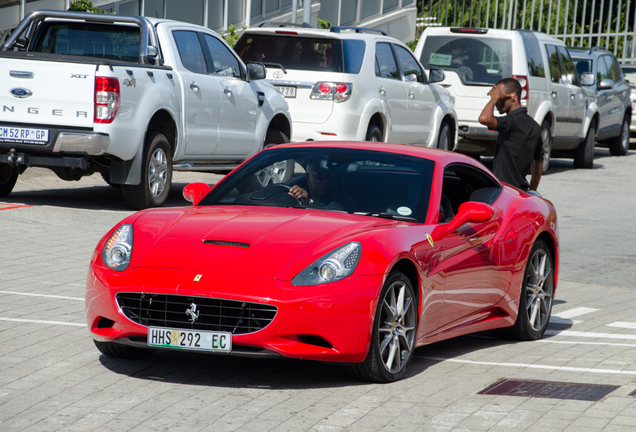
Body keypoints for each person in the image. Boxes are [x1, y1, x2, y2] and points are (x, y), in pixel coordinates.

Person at [478, 78, 544, 192]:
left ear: (513, 97)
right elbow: (539, 163)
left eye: (500, 98)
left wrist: (495, 97)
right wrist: (532, 191)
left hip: (503, 190)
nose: (497, 104)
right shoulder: (535, 127)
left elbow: (484, 119)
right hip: (521, 191)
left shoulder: (510, 122)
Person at [287, 159, 353, 211]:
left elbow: (330, 213)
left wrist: (308, 202)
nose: (326, 181)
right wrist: (290, 197)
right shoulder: (299, 194)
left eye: (330, 177)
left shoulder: (342, 200)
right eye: (320, 176)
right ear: (308, 177)